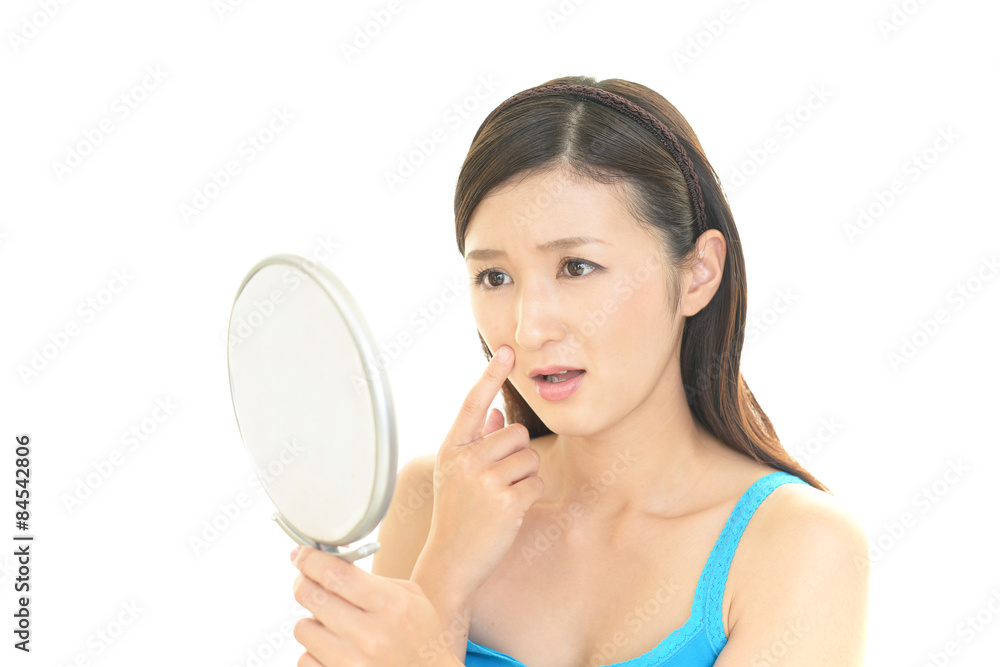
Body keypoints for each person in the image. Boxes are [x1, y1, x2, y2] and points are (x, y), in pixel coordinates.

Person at [290, 75, 870, 666]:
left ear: (698, 273)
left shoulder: (799, 546)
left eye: (577, 267)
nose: (529, 328)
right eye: (495, 277)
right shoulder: (434, 504)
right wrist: (447, 571)